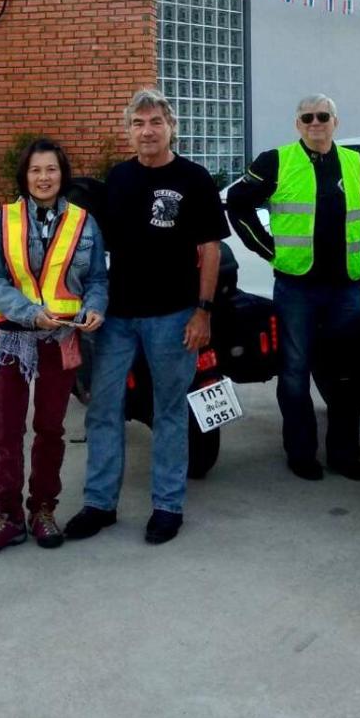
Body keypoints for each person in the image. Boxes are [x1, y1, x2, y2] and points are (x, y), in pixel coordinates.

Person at [63, 89, 229, 546]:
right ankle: (99, 504)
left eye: (156, 122)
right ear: (129, 131)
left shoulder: (193, 178)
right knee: (103, 410)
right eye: (138, 123)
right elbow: (97, 245)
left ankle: (168, 506)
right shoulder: (119, 178)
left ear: (171, 126)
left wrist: (203, 312)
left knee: (169, 412)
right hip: (118, 318)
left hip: (174, 317)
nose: (147, 131)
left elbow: (210, 249)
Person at [226, 94, 360, 481]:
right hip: (297, 287)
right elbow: (237, 205)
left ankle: (343, 454)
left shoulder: (357, 164)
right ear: (297, 124)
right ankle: (301, 453)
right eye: (307, 117)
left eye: (323, 116)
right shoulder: (275, 161)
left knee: (345, 373)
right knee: (295, 372)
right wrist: (267, 249)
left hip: (346, 287)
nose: (315, 123)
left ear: (335, 122)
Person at [0, 138, 108, 556]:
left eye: (51, 169)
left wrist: (95, 307)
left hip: (61, 339)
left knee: (50, 429)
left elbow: (97, 279)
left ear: (62, 174)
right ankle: (7, 515)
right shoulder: (4, 220)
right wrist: (29, 313)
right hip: (15, 339)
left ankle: (43, 509)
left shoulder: (84, 222)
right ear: (24, 176)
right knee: (8, 429)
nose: (43, 177)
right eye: (35, 170)